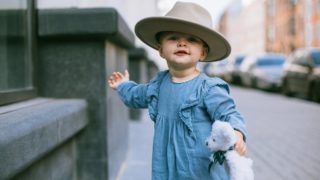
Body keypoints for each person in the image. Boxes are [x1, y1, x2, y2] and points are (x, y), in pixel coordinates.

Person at [108, 2, 248, 180]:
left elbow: (229, 113)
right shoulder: (158, 85)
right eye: (173, 37)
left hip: (199, 170)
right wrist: (123, 85)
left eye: (191, 39)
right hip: (166, 167)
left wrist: (237, 132)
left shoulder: (208, 88)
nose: (182, 42)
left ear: (203, 53)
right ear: (161, 50)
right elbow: (137, 95)